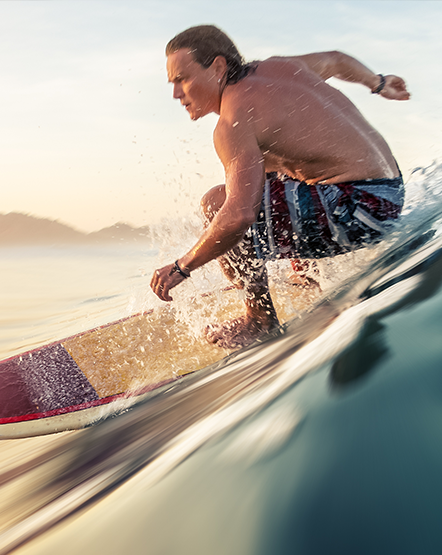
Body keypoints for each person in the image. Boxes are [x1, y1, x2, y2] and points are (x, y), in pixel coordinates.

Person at [149, 25, 410, 348]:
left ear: (217, 67)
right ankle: (305, 271)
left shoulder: (234, 120)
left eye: (182, 79)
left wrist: (182, 266)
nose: (176, 94)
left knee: (217, 204)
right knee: (267, 167)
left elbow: (239, 215)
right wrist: (379, 83)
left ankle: (259, 320)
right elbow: (336, 60)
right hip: (390, 191)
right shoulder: (281, 67)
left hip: (361, 211)